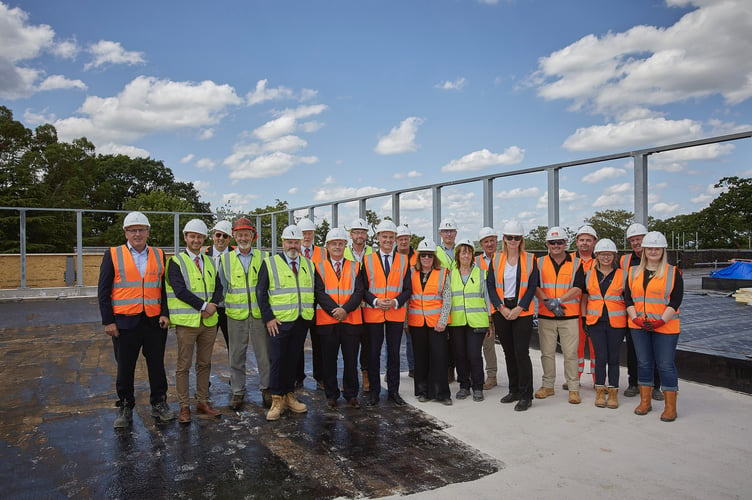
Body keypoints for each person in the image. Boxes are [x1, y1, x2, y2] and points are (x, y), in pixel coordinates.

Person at [98, 211, 175, 428]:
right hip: (124, 323)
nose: (138, 234)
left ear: (148, 231)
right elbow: (103, 291)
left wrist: (164, 313)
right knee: (125, 367)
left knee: (157, 366)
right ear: (126, 232)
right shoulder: (113, 254)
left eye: (141, 229)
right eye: (133, 230)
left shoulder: (159, 255)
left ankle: (159, 402)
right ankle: (125, 405)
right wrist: (108, 321)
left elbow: (162, 289)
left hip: (153, 322)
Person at [166, 219, 224, 424]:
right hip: (187, 323)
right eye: (192, 236)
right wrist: (203, 306)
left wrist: (214, 305)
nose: (196, 240)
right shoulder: (175, 262)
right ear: (185, 237)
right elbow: (180, 290)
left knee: (204, 363)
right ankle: (184, 406)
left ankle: (203, 401)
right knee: (183, 366)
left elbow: (218, 287)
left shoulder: (209, 261)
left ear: (203, 239)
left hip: (209, 321)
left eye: (199, 237)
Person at [624, 231, 683, 422]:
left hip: (665, 327)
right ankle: (645, 401)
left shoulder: (673, 272)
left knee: (665, 365)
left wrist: (661, 321)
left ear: (663, 250)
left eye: (657, 248)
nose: (653, 251)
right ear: (644, 250)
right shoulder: (633, 272)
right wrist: (635, 318)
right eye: (650, 248)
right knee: (644, 363)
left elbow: (675, 301)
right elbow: (627, 298)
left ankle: (670, 407)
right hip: (639, 325)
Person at [257, 224, 314, 421]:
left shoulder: (308, 264)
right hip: (279, 322)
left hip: (300, 320)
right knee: (277, 360)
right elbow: (261, 293)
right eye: (289, 242)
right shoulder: (270, 263)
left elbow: (312, 291)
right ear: (282, 243)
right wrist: (268, 318)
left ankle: (289, 395)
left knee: (292, 360)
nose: (293, 246)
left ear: (301, 244)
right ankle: (276, 399)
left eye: (296, 242)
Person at [219, 217, 271, 411]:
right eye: (239, 234)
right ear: (234, 237)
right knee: (236, 355)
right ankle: (238, 391)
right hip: (235, 315)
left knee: (264, 355)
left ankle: (266, 389)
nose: (243, 237)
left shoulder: (264, 257)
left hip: (258, 315)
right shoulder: (225, 259)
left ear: (253, 236)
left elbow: (269, 287)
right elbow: (222, 288)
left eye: (246, 234)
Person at [486, 221, 539, 411]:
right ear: (504, 239)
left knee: (521, 353)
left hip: (521, 311)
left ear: (521, 239)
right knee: (508, 352)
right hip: (502, 310)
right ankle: (514, 389)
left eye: (517, 237)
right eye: (510, 237)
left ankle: (526, 394)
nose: (513, 241)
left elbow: (532, 286)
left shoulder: (530, 259)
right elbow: (490, 286)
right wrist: (501, 307)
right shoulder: (496, 259)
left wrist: (520, 308)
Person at [313, 228, 366, 409]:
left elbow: (359, 291)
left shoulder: (355, 266)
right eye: (333, 243)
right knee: (329, 361)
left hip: (351, 321)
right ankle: (332, 395)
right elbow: (319, 292)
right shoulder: (318, 267)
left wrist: (345, 310)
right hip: (328, 322)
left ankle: (351, 394)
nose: (337, 247)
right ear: (327, 246)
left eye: (340, 244)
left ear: (345, 245)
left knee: (351, 360)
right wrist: (335, 310)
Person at [362, 219, 412, 407]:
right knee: (373, 354)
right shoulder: (367, 260)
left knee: (393, 354)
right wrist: (375, 301)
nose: (388, 240)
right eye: (385, 237)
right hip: (374, 313)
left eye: (391, 237)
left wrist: (396, 301)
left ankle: (393, 391)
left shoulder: (403, 260)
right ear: (378, 237)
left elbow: (408, 289)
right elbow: (363, 288)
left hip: (395, 313)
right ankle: (374, 391)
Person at [574, 238, 627, 409]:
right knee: (600, 357)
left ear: (614, 256)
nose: (605, 257)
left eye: (609, 254)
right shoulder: (588, 274)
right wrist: (583, 318)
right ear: (596, 255)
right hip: (595, 322)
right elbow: (584, 298)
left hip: (616, 323)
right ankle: (599, 391)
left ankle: (612, 392)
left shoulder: (622, 275)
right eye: (602, 254)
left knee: (613, 358)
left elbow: (628, 300)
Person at [534, 226, 583, 404]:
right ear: (547, 244)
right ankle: (548, 386)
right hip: (547, 316)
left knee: (571, 354)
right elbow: (535, 286)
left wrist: (559, 301)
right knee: (547, 353)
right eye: (552, 242)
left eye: (559, 242)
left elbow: (578, 288)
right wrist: (548, 302)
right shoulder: (539, 263)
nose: (556, 245)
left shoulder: (576, 263)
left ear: (565, 243)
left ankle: (573, 388)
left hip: (569, 316)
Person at [620, 223, 663, 401]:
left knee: (656, 352)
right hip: (633, 314)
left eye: (639, 239)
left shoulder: (660, 260)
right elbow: (624, 288)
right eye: (632, 240)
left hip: (656, 314)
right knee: (633, 351)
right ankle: (634, 382)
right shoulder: (625, 261)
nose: (636, 242)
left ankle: (655, 386)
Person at [408, 240, 453, 405]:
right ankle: (423, 391)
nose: (426, 258)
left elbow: (447, 298)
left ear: (434, 257)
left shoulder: (443, 272)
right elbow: (407, 299)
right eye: (423, 255)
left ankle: (442, 394)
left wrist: (442, 321)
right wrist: (406, 322)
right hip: (417, 322)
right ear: (419, 256)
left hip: (437, 324)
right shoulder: (411, 272)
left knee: (440, 358)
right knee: (420, 359)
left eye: (429, 255)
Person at [448, 239, 491, 402]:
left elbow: (486, 297)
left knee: (474, 354)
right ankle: (464, 386)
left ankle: (478, 386)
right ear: (458, 255)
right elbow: (447, 299)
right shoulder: (450, 275)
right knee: (460, 355)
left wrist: (490, 321)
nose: (466, 255)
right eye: (462, 252)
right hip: (457, 322)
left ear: (473, 255)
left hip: (477, 321)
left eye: (468, 252)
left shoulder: (481, 273)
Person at [296, 217, 326, 390]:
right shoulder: (293, 251)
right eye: (304, 233)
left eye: (309, 233)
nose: (307, 236)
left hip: (318, 303)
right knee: (298, 342)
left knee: (319, 342)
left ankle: (320, 376)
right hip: (299, 303)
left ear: (314, 234)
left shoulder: (323, 252)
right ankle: (298, 377)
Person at [343, 217, 373, 392]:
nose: (359, 235)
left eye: (362, 232)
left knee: (367, 345)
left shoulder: (372, 253)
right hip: (350, 307)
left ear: (366, 234)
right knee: (350, 347)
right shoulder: (344, 252)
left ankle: (366, 374)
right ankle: (349, 379)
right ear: (351, 234)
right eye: (356, 232)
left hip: (368, 307)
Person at [568, 225, 598, 390]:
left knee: (596, 348)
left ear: (594, 242)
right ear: (577, 241)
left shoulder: (601, 259)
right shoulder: (569, 259)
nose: (584, 243)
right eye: (581, 240)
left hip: (594, 312)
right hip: (573, 312)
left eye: (588, 240)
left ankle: (597, 379)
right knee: (574, 348)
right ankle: (574, 378)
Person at [204, 220, 234, 349]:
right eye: (218, 235)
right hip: (210, 307)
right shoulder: (203, 254)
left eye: (225, 236)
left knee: (233, 346)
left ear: (229, 238)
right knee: (205, 346)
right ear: (213, 236)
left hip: (230, 308)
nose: (221, 239)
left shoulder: (236, 255)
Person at [475, 226, 499, 390]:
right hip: (484, 310)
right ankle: (491, 376)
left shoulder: (504, 258)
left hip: (503, 308)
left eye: (492, 240)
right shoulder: (476, 262)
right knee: (487, 345)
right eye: (486, 241)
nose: (490, 244)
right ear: (481, 244)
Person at [396, 224, 417, 377]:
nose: (403, 242)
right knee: (394, 339)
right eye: (401, 239)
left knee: (411, 336)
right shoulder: (392, 257)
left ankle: (413, 367)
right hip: (396, 302)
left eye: (406, 239)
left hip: (414, 301)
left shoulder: (419, 256)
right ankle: (393, 369)